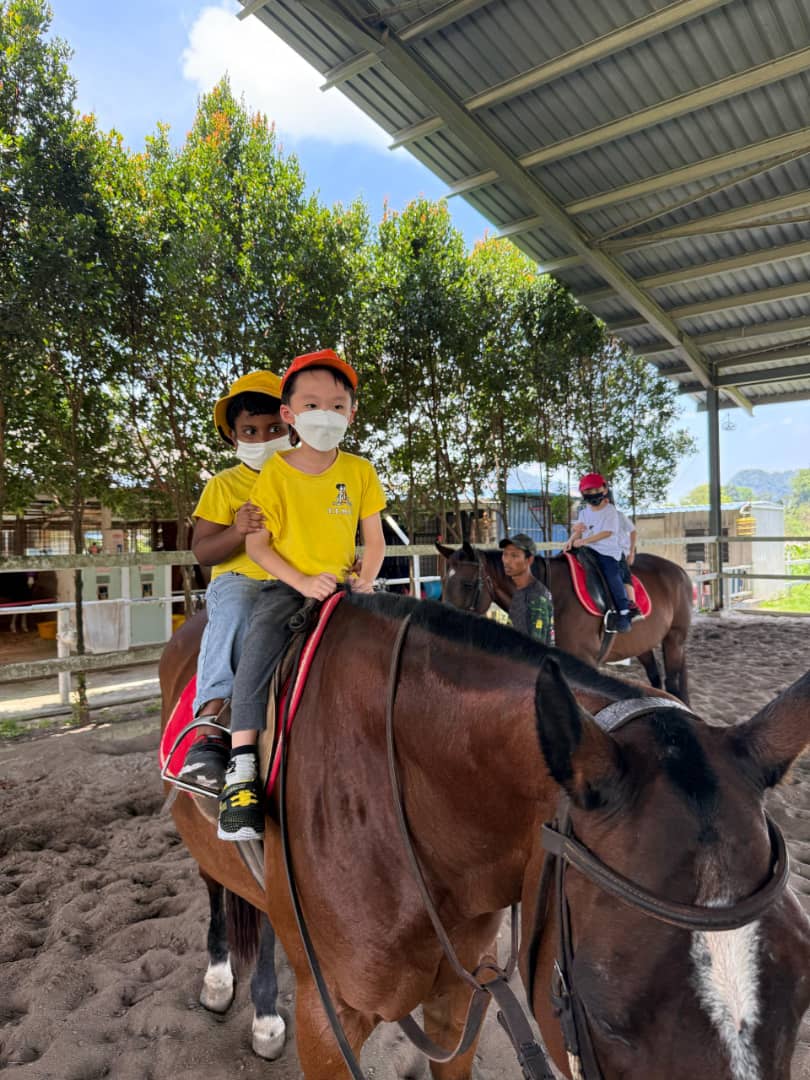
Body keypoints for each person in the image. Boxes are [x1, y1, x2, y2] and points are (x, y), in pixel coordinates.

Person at [217, 349, 387, 842]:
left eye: (337, 405)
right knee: (259, 649)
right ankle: (242, 769)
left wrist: (366, 576)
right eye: (311, 405)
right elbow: (257, 545)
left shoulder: (359, 471)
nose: (326, 416)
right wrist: (301, 582)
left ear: (351, 413)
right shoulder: (277, 473)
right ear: (289, 414)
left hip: (346, 590)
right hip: (288, 588)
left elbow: (373, 540)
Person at [179, 370, 293, 794]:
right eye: (250, 430)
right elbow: (203, 551)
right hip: (242, 581)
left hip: (294, 580)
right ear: (233, 436)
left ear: (291, 426)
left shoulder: (304, 481)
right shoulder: (224, 485)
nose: (263, 437)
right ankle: (211, 723)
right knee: (237, 610)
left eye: (274, 429)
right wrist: (236, 531)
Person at [563, 472, 632, 633]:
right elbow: (580, 529)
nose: (592, 494)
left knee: (612, 576)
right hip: (587, 549)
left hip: (607, 552)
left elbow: (607, 532)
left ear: (604, 489)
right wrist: (570, 541)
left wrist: (584, 541)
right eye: (587, 492)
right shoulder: (584, 511)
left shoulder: (610, 511)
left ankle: (624, 611)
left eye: (595, 490)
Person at [498, 533, 554, 645]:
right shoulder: (521, 590)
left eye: (514, 556)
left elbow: (536, 649)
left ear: (529, 560)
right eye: (505, 554)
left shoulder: (537, 596)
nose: (507, 561)